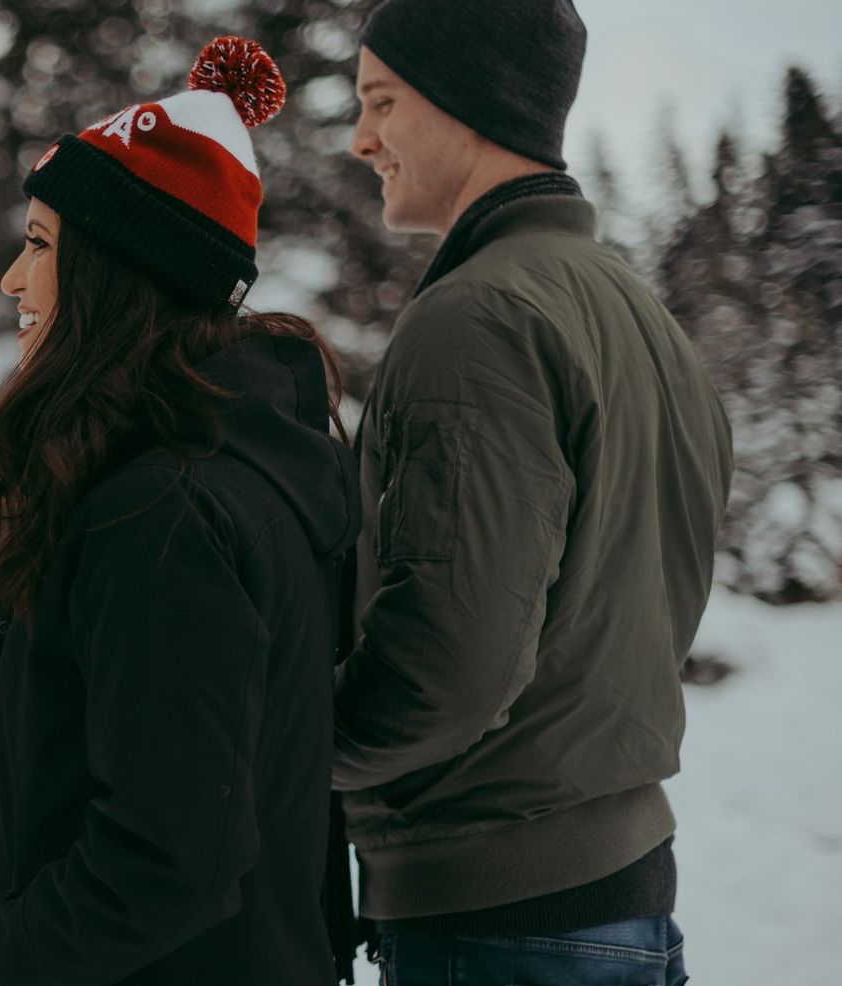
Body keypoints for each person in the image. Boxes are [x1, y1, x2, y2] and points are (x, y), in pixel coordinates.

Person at [0, 37, 362, 986]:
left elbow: (168, 860)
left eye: (38, 246)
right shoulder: (235, 471)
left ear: (115, 269)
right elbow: (206, 772)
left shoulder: (160, 510)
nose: (11, 282)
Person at [333, 2, 734, 983]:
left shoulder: (475, 318)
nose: (359, 139)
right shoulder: (630, 308)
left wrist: (279, 749)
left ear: (469, 99)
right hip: (612, 888)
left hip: (498, 918)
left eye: (380, 102)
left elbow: (446, 665)